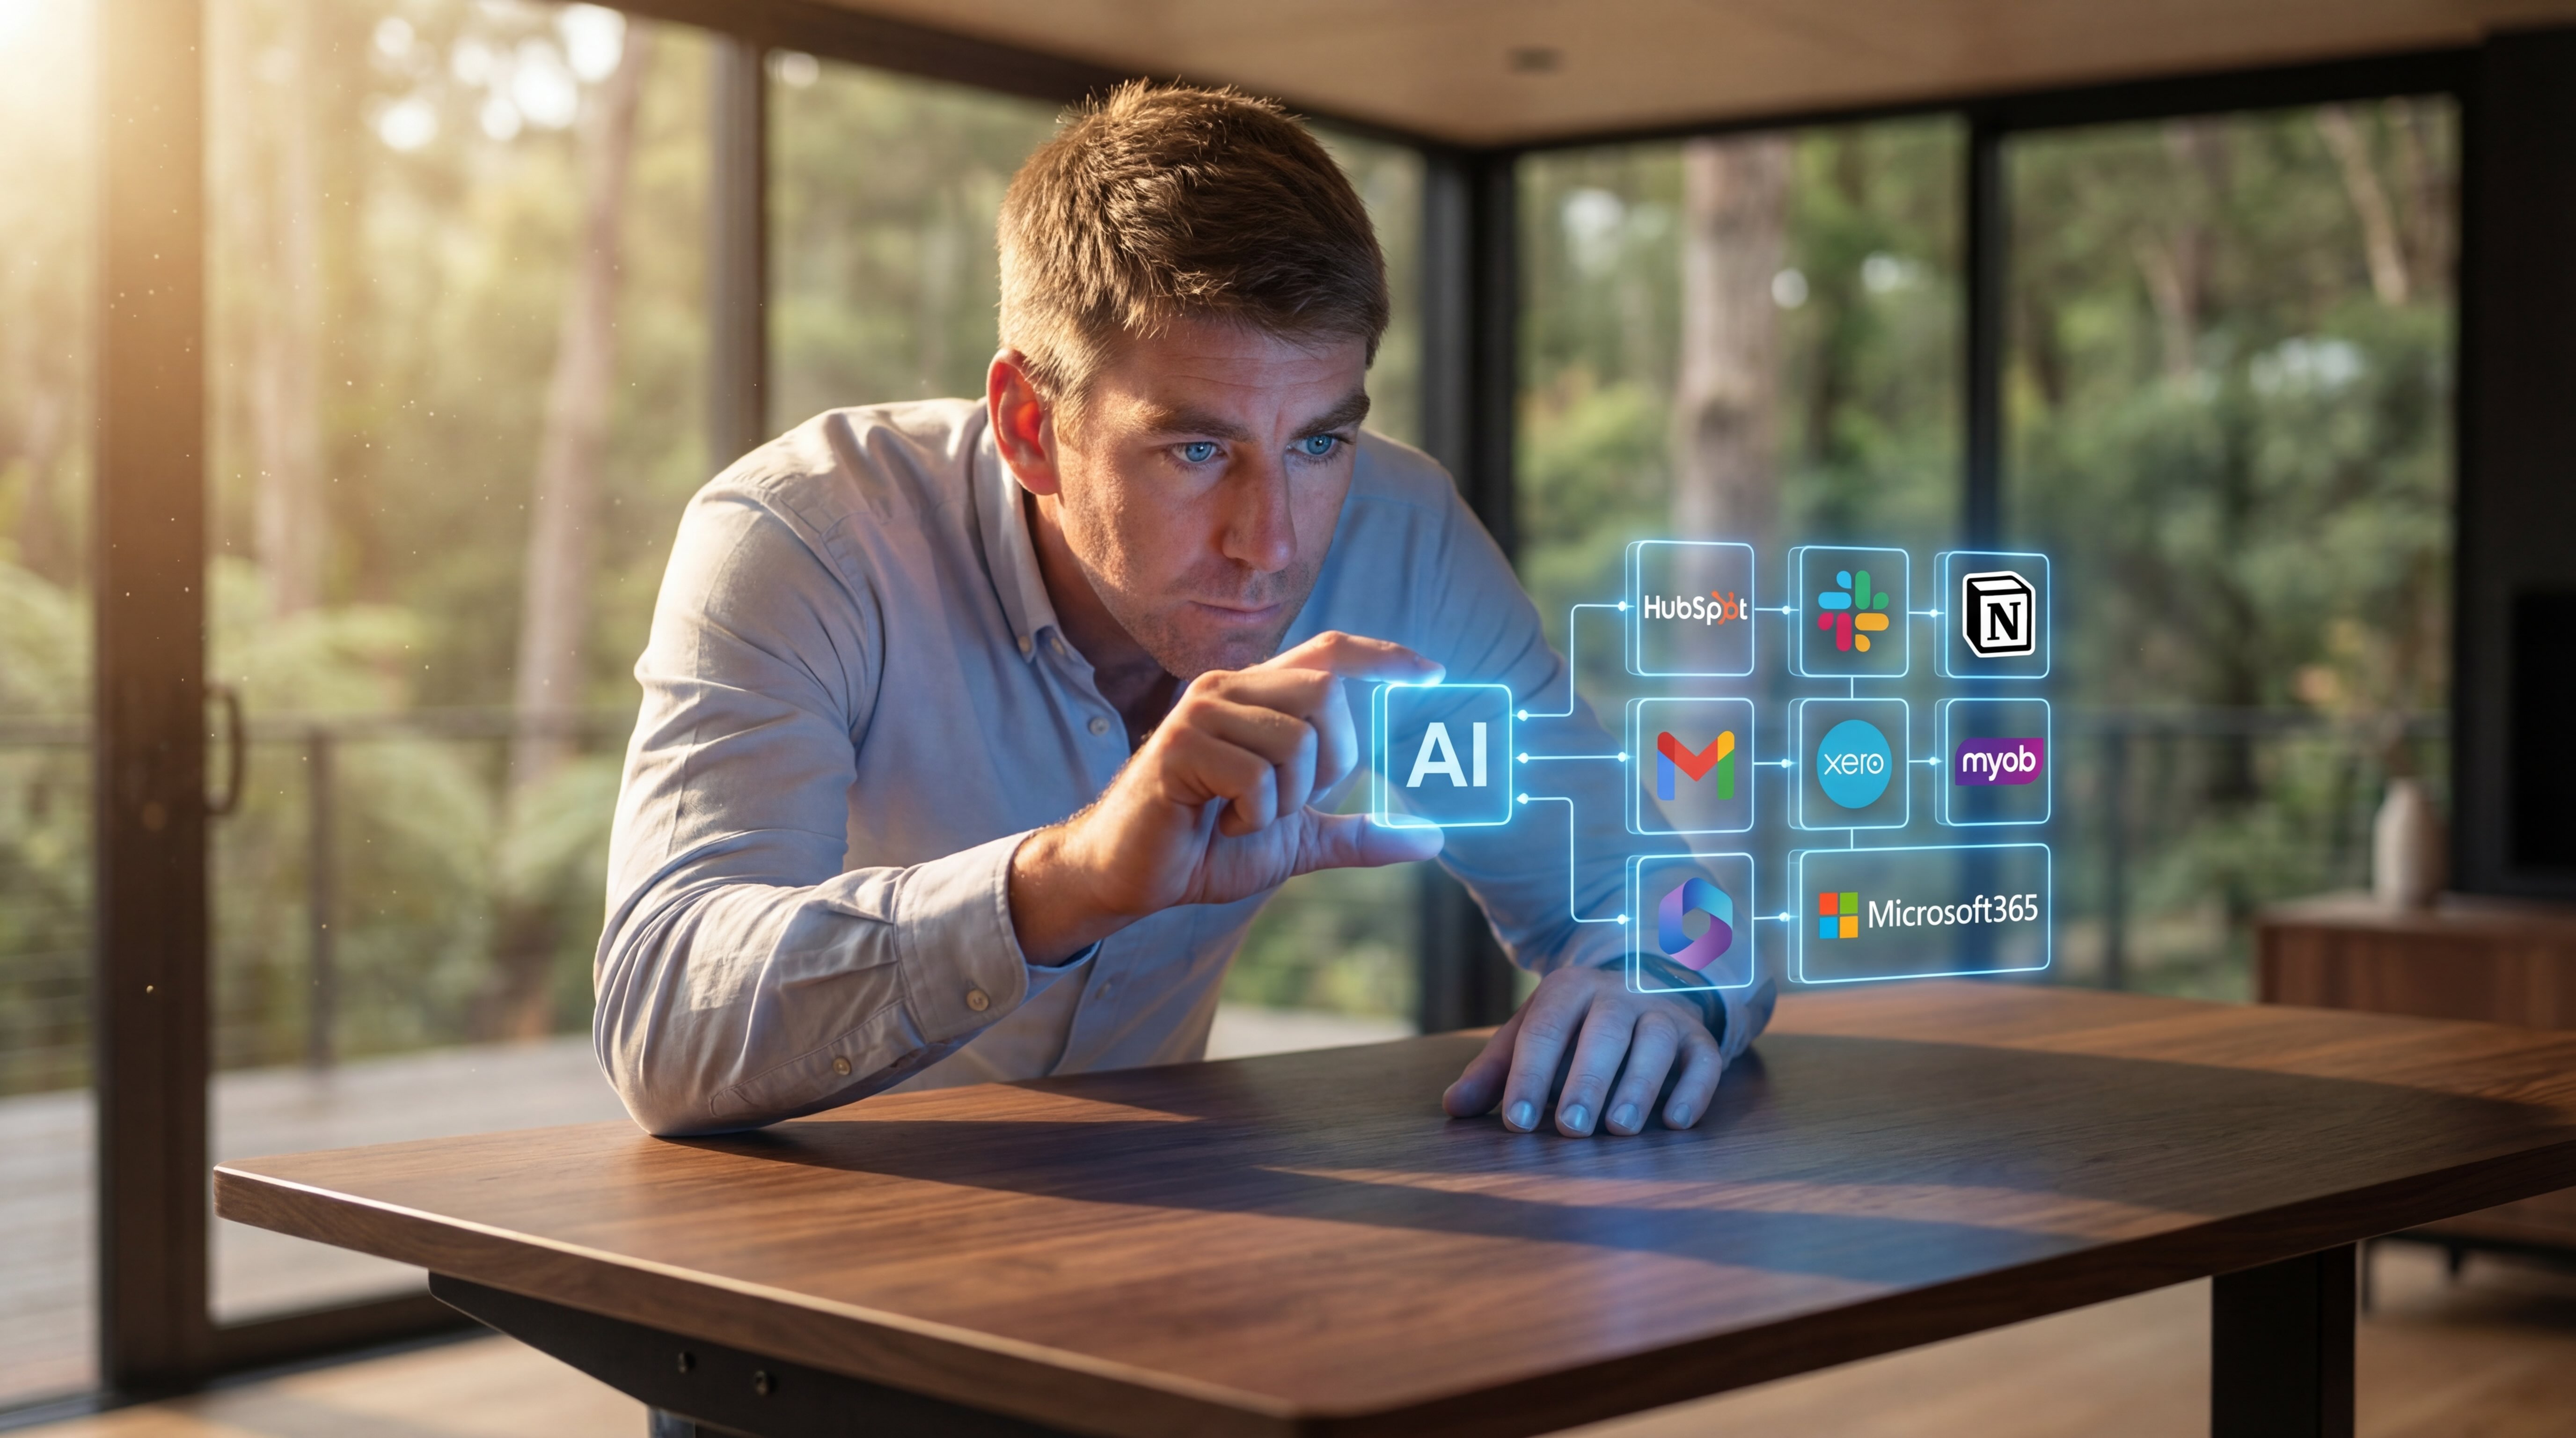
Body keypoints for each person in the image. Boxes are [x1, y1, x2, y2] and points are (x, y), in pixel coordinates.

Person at [595, 81, 1773, 1139]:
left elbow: (1679, 910)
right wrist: (1066, 882)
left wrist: (1656, 984)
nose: (1274, 544)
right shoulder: (809, 535)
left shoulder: (1400, 537)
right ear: (1028, 426)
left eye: (1319, 442)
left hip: (1161, 1238)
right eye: (1197, 450)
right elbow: (662, 1017)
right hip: (798, 1247)